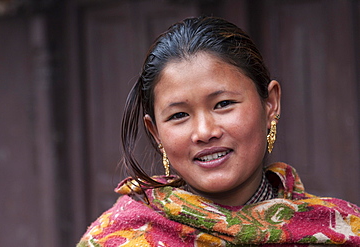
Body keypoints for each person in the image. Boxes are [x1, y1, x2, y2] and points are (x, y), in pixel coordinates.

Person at [77, 16, 360, 246]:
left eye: (223, 104)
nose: (204, 131)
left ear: (270, 103)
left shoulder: (342, 231)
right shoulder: (118, 239)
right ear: (155, 132)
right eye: (179, 115)